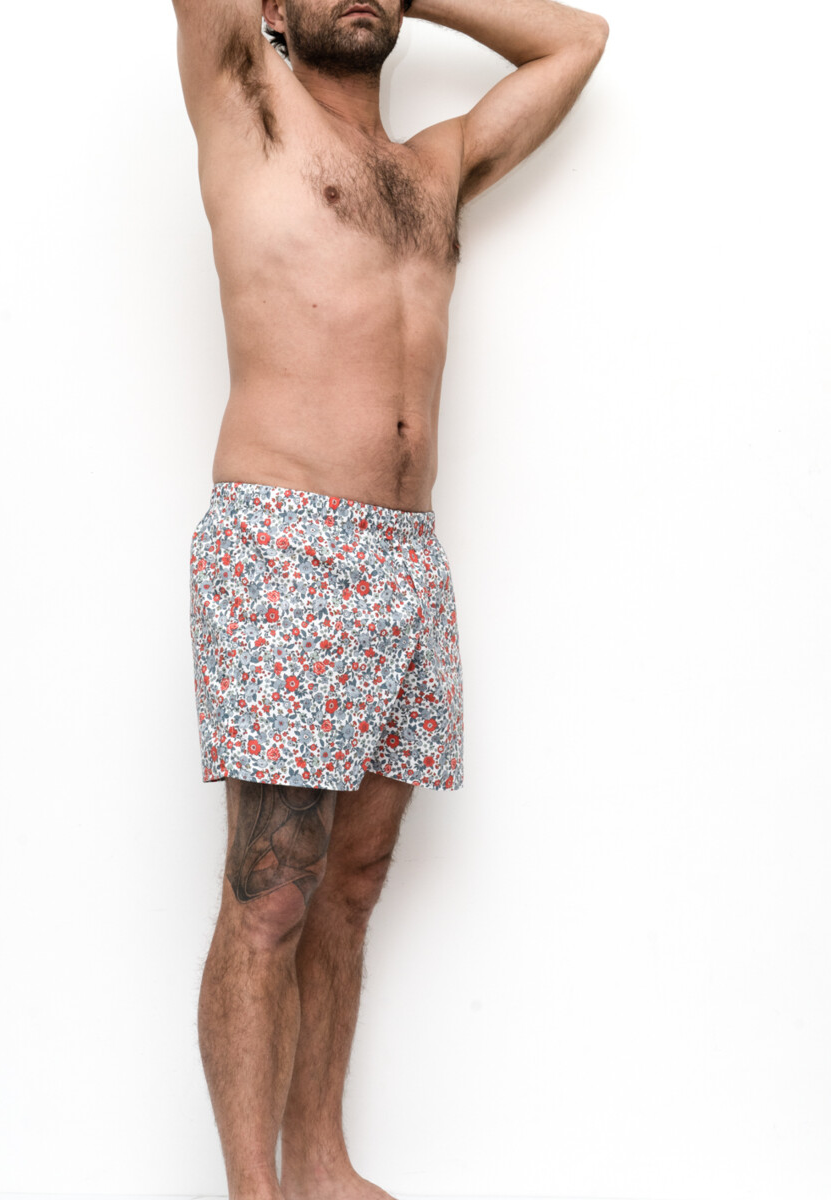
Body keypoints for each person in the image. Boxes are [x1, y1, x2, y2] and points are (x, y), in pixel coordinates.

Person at [171, 0, 608, 1193]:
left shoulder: (433, 168)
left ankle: (319, 1164)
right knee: (271, 892)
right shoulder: (251, 109)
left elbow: (575, 41)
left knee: (352, 887)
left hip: (409, 559)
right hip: (286, 545)